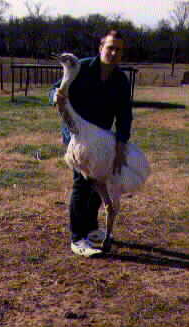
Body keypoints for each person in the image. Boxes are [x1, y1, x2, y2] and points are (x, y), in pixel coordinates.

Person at [55, 30, 133, 257]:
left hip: (100, 138)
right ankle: (77, 238)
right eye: (110, 47)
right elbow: (56, 88)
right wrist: (56, 97)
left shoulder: (120, 80)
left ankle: (90, 229)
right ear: (101, 47)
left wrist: (121, 144)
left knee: (98, 182)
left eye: (118, 49)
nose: (114, 52)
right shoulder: (82, 68)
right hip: (76, 135)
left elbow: (124, 114)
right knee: (82, 183)